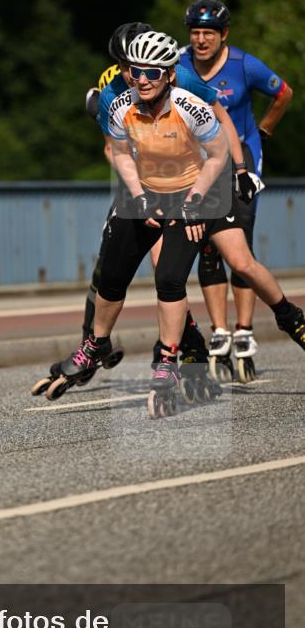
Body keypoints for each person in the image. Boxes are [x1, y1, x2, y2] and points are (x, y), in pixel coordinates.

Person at [48, 30, 304, 416]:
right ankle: (144, 347)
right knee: (138, 270)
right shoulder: (113, 97)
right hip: (152, 190)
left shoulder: (185, 87)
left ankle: (290, 319)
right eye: (131, 70)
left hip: (203, 185)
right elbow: (116, 150)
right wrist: (137, 195)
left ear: (168, 73)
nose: (139, 78)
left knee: (237, 262)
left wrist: (239, 172)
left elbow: (219, 134)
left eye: (150, 71)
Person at [180, 0, 294, 381]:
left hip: (242, 158)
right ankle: (220, 332)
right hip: (201, 163)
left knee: (239, 245)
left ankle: (244, 329)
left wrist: (264, 131)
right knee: (208, 246)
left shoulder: (245, 65)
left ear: (223, 34)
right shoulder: (178, 64)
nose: (200, 40)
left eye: (208, 33)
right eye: (195, 33)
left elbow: (284, 93)